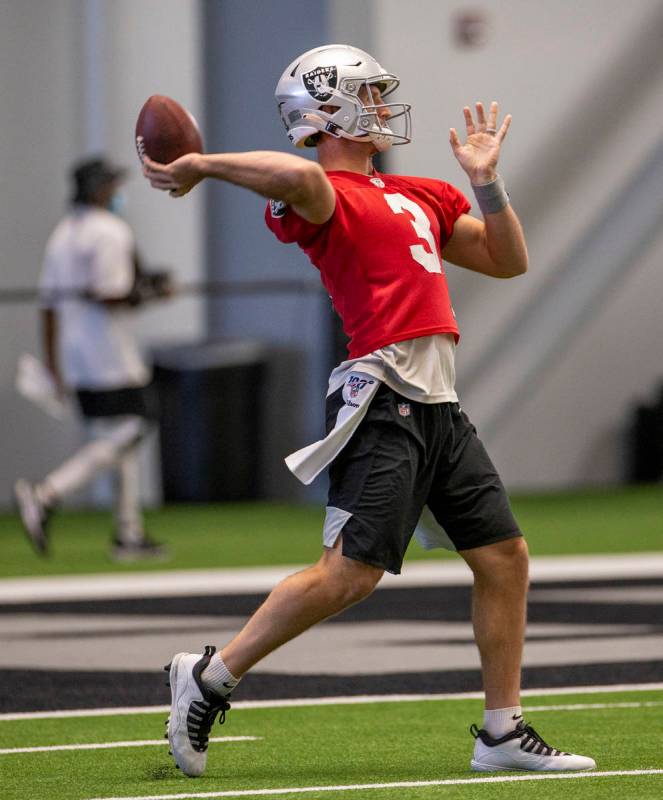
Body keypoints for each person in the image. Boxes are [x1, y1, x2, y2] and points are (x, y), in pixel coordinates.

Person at [143, 45, 595, 775]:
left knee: (504, 558)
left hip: (437, 401)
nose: (385, 106)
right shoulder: (321, 193)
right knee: (348, 576)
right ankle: (209, 676)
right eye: (370, 95)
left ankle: (502, 732)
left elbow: (508, 260)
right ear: (328, 110)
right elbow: (293, 173)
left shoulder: (418, 192)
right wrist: (200, 164)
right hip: (384, 395)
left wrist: (485, 183)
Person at [15, 156, 170, 562]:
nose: (119, 193)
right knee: (136, 426)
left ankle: (128, 533)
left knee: (119, 440)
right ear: (100, 189)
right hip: (110, 354)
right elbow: (110, 292)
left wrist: (54, 363)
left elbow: (48, 305)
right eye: (114, 186)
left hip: (76, 354)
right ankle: (47, 492)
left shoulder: (63, 233)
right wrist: (155, 291)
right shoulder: (109, 231)